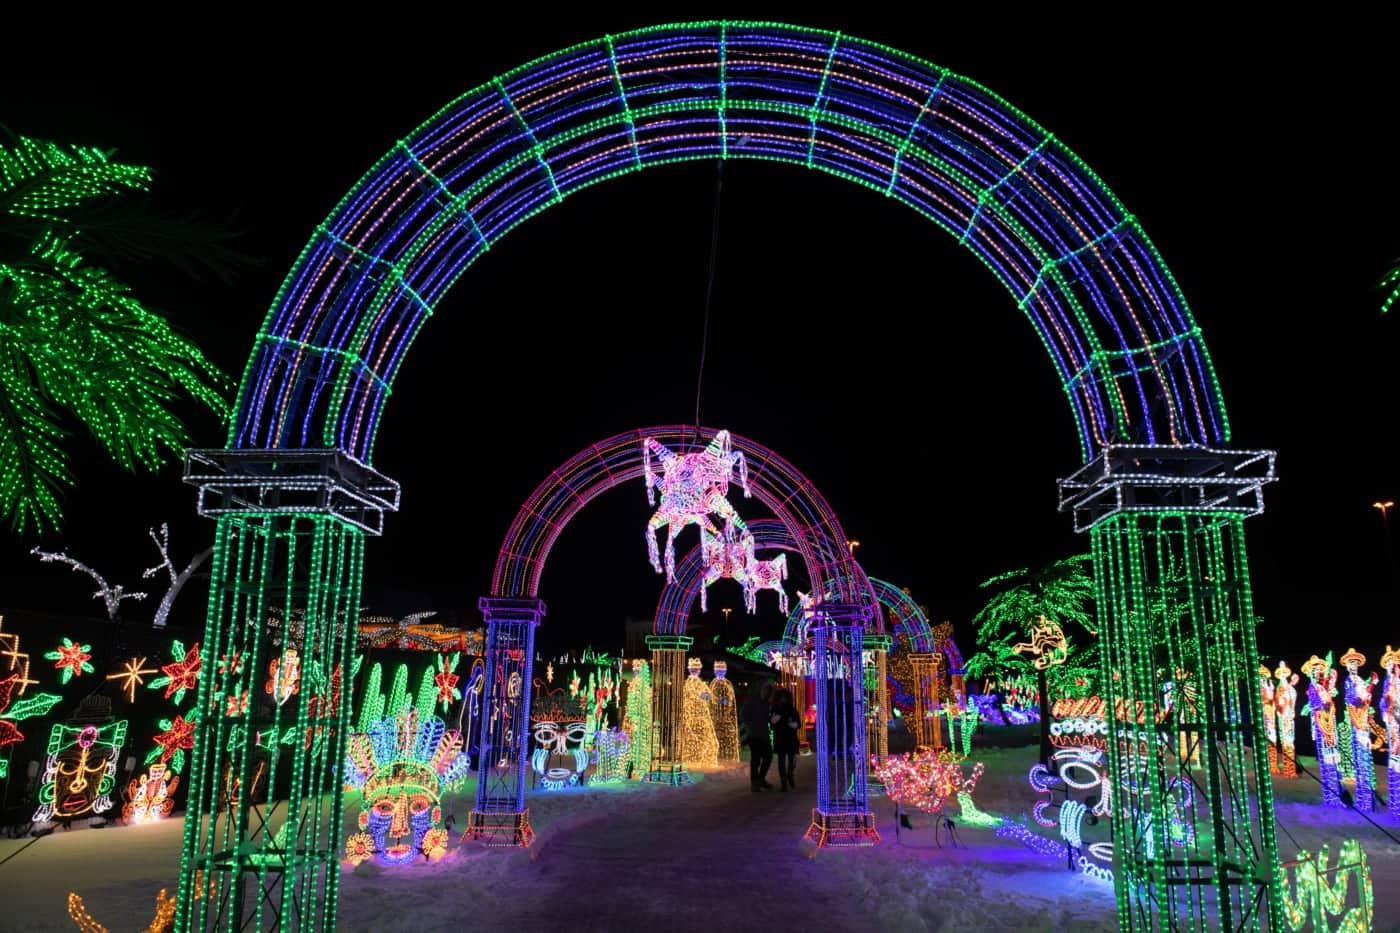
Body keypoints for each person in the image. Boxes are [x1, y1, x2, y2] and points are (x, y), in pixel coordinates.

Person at [740, 680, 775, 791]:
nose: (767, 692)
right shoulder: (752, 701)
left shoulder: (767, 703)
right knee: (756, 759)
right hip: (754, 735)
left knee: (768, 757)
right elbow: (743, 715)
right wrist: (751, 725)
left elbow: (767, 717)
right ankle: (755, 782)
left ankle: (760, 779)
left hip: (764, 734)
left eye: (769, 691)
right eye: (766, 690)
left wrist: (772, 720)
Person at [770, 687, 801, 791]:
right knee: (782, 760)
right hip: (781, 737)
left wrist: (794, 724)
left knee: (792, 759)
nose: (783, 699)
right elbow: (772, 723)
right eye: (781, 697)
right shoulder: (775, 709)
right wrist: (774, 721)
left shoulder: (792, 709)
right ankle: (784, 781)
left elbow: (798, 723)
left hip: (790, 738)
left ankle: (790, 775)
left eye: (785, 697)